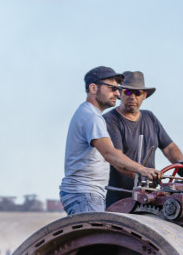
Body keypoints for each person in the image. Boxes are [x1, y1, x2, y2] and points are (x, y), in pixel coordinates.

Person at [60, 66, 161, 215]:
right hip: (85, 194)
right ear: (93, 88)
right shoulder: (92, 117)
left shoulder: (88, 113)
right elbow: (109, 153)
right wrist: (143, 169)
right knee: (96, 239)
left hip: (86, 193)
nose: (117, 93)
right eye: (112, 88)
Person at [104, 70, 183, 208]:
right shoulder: (110, 121)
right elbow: (117, 159)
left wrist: (181, 163)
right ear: (120, 93)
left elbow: (169, 148)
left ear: (144, 95)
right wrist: (142, 175)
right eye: (128, 92)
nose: (132, 97)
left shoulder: (150, 118)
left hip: (148, 196)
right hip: (119, 198)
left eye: (137, 93)